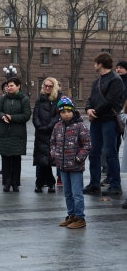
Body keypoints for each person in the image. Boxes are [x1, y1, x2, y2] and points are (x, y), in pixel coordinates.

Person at [84, 52, 124, 196]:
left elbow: (110, 100)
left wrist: (94, 112)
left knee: (110, 153)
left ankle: (115, 185)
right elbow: (90, 99)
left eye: (95, 62)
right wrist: (88, 109)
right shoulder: (97, 81)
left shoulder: (115, 80)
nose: (94, 65)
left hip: (109, 121)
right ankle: (94, 184)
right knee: (93, 153)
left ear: (100, 64)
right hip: (96, 121)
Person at [50, 97, 90, 229]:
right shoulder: (58, 126)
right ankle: (71, 214)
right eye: (63, 112)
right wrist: (54, 155)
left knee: (77, 193)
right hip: (62, 165)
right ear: (59, 113)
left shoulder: (80, 126)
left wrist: (78, 158)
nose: (66, 114)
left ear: (73, 111)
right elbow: (53, 143)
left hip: (75, 166)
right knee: (67, 193)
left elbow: (87, 145)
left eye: (68, 111)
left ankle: (80, 217)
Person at [0, 77, 31, 192]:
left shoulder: (24, 99)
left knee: (16, 159)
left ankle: (15, 183)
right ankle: (6, 183)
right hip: (4, 133)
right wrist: (2, 116)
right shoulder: (3, 98)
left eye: (11, 86)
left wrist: (12, 118)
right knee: (5, 159)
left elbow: (26, 115)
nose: (9, 88)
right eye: (8, 86)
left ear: (18, 86)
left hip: (17, 134)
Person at [32, 78, 60, 193]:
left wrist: (49, 127)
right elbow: (35, 115)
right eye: (45, 85)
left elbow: (58, 116)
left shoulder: (59, 98)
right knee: (43, 159)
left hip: (52, 132)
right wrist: (39, 126)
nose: (47, 88)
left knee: (47, 159)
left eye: (50, 86)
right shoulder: (40, 99)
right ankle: (49, 183)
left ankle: (41, 183)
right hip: (40, 133)